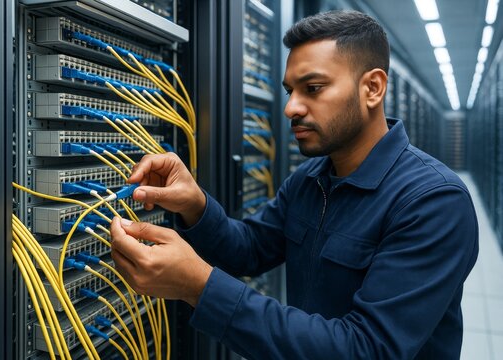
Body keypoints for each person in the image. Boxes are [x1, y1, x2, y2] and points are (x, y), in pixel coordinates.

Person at [110, 10, 479, 359]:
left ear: (373, 88)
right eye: (290, 91)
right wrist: (194, 205)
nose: (291, 108)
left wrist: (199, 286)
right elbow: (248, 249)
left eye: (313, 88)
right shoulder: (311, 178)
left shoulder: (434, 203)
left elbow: (366, 349)